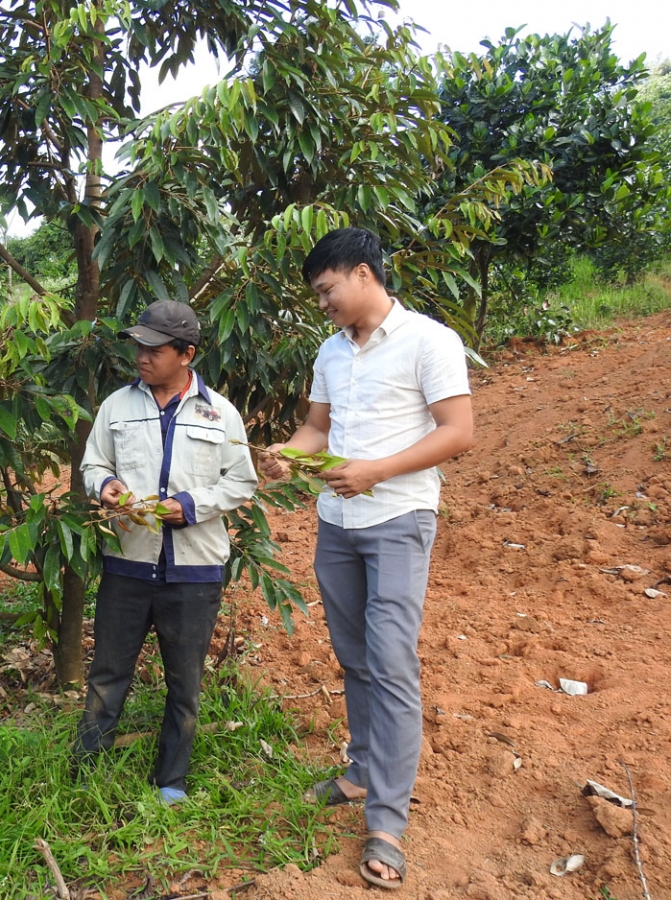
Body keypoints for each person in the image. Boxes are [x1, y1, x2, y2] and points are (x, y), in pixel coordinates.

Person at [260, 227, 473, 890]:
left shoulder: (430, 341)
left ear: (360, 274)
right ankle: (359, 772)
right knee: (354, 657)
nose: (321, 303)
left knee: (390, 662)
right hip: (337, 523)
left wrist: (375, 470)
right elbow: (318, 430)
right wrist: (286, 454)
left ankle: (386, 821)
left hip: (398, 520)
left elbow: (459, 431)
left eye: (326, 290)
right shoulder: (330, 351)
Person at [73, 299, 258, 805]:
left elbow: (242, 481)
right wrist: (106, 485)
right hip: (128, 563)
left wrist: (192, 506)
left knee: (185, 681)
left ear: (186, 354)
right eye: (139, 345)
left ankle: (170, 781)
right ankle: (85, 770)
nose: (142, 356)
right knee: (109, 671)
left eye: (154, 348)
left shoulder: (221, 414)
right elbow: (93, 465)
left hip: (194, 570)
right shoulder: (117, 406)